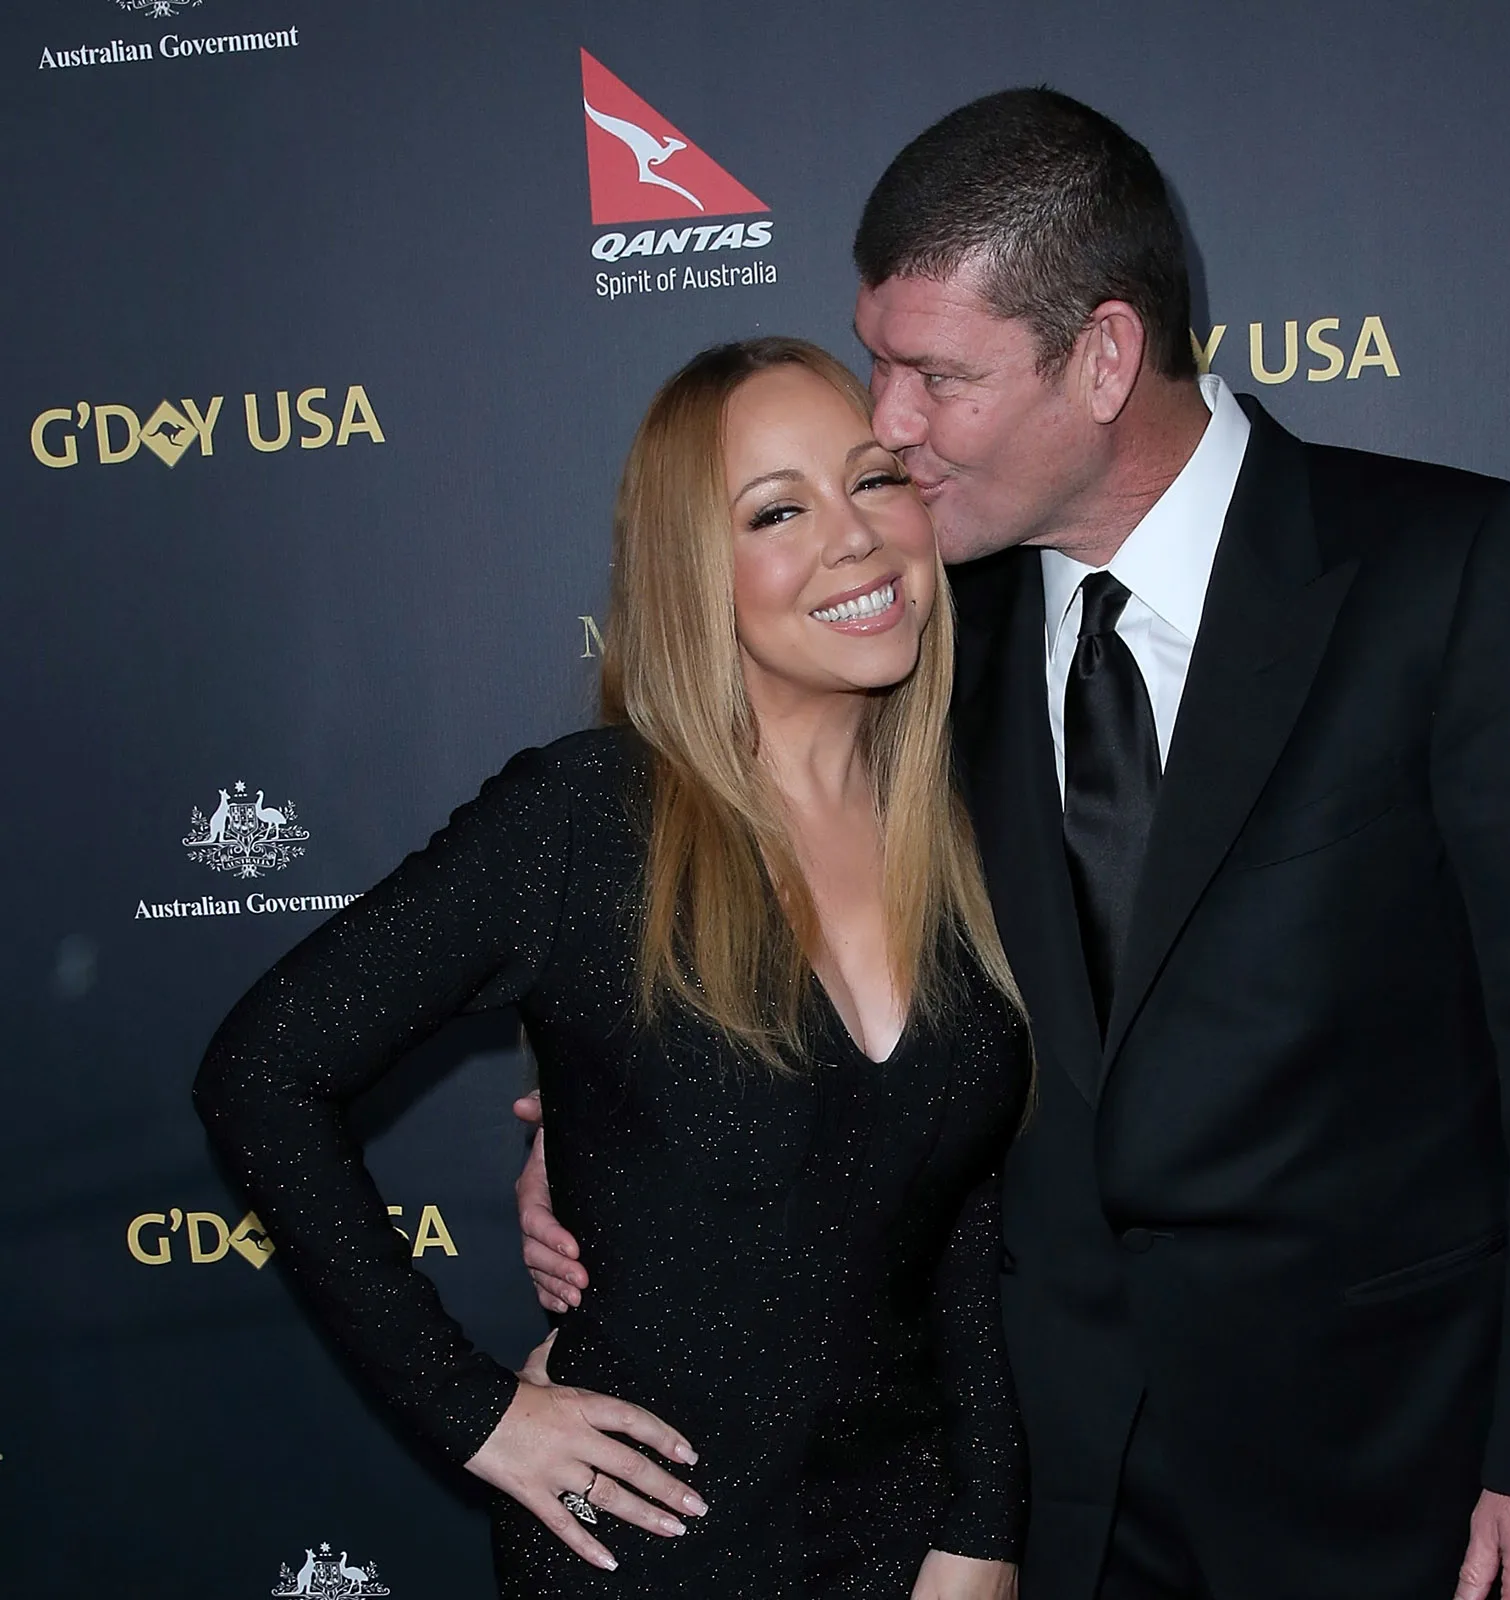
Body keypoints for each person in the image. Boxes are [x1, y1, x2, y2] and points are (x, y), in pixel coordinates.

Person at [519, 91, 1510, 1600]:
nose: (888, 422)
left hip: (1395, 1474)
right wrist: (581, 1130)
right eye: (878, 358)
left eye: (938, 373)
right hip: (1035, 1495)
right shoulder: (922, 636)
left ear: (1105, 357)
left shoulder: (1448, 578)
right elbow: (752, 899)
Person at [194, 338, 1030, 1599]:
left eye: (873, 482)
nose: (854, 537)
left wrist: (983, 1525)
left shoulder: (961, 829)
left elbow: (962, 1217)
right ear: (697, 570)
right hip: (642, 1548)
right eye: (778, 510)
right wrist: (471, 1409)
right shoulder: (586, 823)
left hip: (905, 1548)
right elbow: (260, 1072)